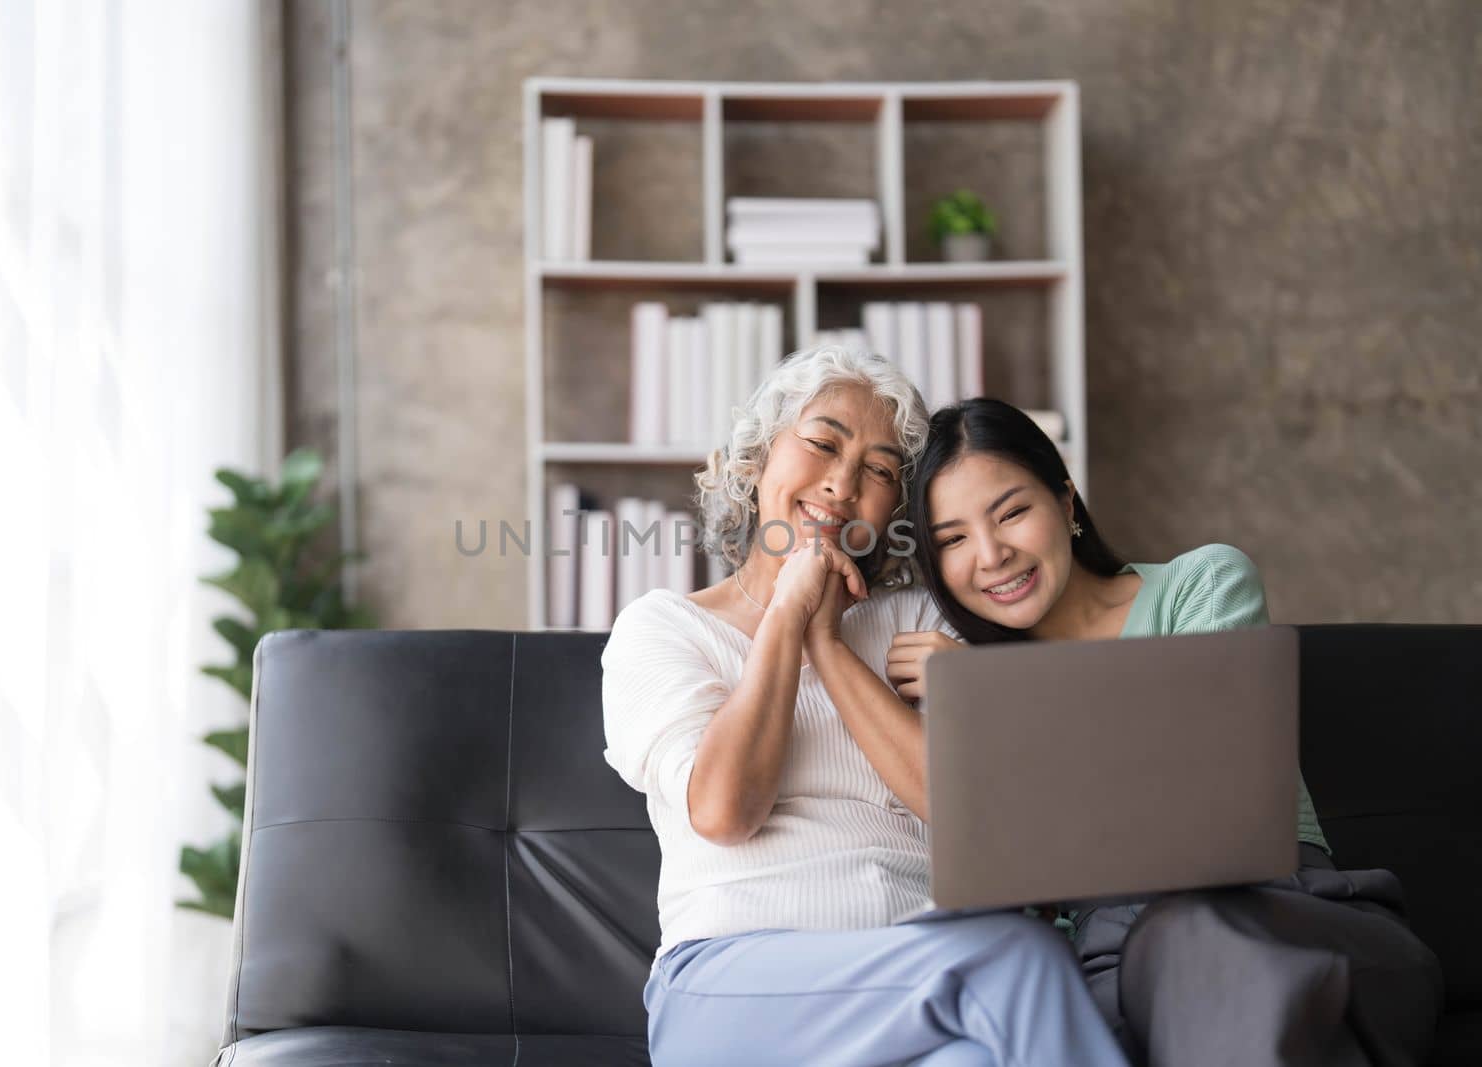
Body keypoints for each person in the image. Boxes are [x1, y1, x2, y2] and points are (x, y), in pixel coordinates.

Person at [601, 348, 1128, 1067]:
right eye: (821, 443)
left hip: (923, 980)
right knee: (1022, 958)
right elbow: (725, 810)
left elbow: (977, 818)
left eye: (880, 471)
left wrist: (832, 643)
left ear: (895, 508)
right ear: (757, 462)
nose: (843, 484)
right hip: (732, 984)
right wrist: (788, 616)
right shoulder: (662, 627)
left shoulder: (922, 621)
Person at [889, 396, 1443, 1067]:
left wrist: (990, 706)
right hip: (1115, 972)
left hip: (1286, 919)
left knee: (1198, 938)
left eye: (1011, 512)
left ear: (1066, 503)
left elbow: (1210, 808)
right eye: (951, 539)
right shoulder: (965, 683)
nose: (991, 554)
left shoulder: (1201, 585)